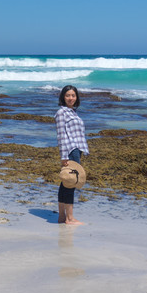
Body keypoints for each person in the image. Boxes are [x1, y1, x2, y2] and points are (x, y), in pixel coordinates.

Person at [54, 84, 88, 224]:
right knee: (71, 183)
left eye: (73, 95)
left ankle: (62, 217)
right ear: (63, 97)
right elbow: (61, 136)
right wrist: (64, 157)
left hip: (76, 150)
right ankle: (70, 218)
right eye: (68, 95)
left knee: (65, 182)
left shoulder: (73, 112)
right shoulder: (61, 113)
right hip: (70, 150)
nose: (70, 98)